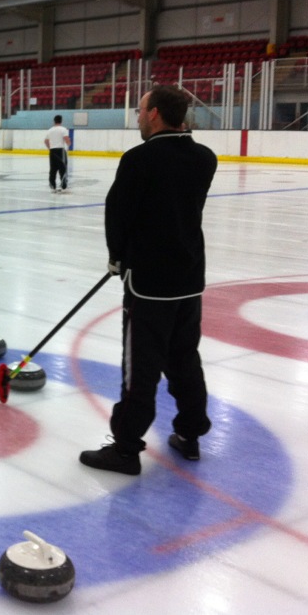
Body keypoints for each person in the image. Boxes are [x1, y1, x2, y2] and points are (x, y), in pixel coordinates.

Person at [79, 84, 217, 476]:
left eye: (141, 111)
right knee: (184, 359)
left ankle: (125, 449)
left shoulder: (140, 159)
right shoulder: (205, 157)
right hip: (189, 279)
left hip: (150, 285)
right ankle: (190, 434)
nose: (138, 118)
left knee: (140, 369)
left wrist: (117, 257)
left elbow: (118, 213)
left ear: (155, 113)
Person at [44, 114, 71, 193]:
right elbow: (66, 139)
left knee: (53, 169)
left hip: (52, 151)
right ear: (61, 121)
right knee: (63, 168)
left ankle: (52, 185)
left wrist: (50, 148)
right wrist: (69, 144)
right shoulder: (63, 129)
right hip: (60, 151)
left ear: (54, 121)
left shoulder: (50, 130)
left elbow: (46, 141)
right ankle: (63, 186)